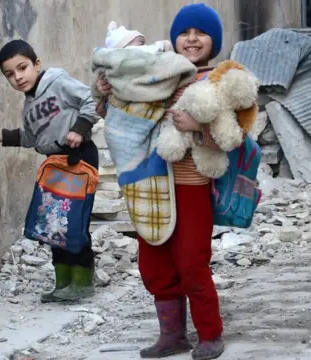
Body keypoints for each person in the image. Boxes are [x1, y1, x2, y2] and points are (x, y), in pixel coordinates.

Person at [97, 4, 227, 359]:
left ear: (214, 41)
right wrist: (105, 90)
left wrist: (198, 128)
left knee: (191, 261)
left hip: (191, 185)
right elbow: (122, 113)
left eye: (201, 33)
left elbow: (235, 136)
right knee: (153, 261)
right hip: (150, 183)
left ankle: (210, 334)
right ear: (174, 39)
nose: (192, 39)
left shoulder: (218, 80)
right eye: (185, 33)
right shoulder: (158, 74)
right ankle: (172, 335)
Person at [0, 39, 100, 303]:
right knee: (53, 226)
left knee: (73, 223)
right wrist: (3, 135)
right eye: (10, 74)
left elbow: (92, 100)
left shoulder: (57, 82)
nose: (18, 77)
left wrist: (78, 129)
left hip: (78, 159)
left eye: (22, 68)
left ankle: (82, 281)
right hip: (54, 164)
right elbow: (33, 138)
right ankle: (63, 282)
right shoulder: (29, 105)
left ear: (37, 64)